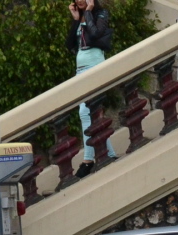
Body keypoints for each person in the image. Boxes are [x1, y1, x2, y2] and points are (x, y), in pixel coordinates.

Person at [67, 0, 116, 178]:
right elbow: (70, 44)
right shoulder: (79, 18)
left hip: (95, 66)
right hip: (80, 70)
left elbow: (96, 34)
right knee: (93, 113)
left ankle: (88, 159)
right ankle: (109, 153)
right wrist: (75, 20)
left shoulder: (101, 14)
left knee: (85, 112)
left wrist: (88, 11)